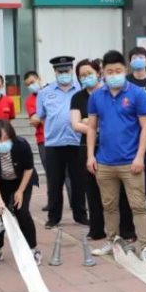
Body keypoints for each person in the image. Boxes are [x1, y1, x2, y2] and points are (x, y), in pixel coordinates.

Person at [87, 50, 146, 266]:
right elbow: (91, 127)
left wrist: (140, 157)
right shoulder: (97, 96)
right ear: (103, 73)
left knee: (138, 206)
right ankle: (112, 240)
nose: (114, 74)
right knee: (109, 206)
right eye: (109, 71)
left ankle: (145, 247)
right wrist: (90, 155)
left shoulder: (137, 94)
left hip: (131, 162)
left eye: (118, 70)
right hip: (105, 162)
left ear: (125, 70)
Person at [71, 59, 136, 247]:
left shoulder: (108, 93)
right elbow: (75, 124)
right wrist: (95, 127)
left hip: (113, 147)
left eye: (89, 73)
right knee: (92, 189)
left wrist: (91, 124)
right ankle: (97, 228)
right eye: (82, 75)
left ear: (99, 73)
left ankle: (127, 229)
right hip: (88, 148)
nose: (86, 78)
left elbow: (114, 120)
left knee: (121, 190)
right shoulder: (78, 97)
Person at [36, 55, 87, 228]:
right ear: (55, 72)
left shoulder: (82, 90)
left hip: (77, 142)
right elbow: (41, 117)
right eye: (60, 71)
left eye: (66, 70)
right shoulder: (45, 92)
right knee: (54, 182)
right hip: (54, 144)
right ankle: (54, 216)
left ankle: (80, 214)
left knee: (78, 181)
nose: (64, 74)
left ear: (72, 70)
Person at [0, 120, 41, 267]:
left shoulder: (21, 145)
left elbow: (29, 168)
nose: (3, 142)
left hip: (21, 181)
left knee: (22, 211)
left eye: (6, 139)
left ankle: (33, 249)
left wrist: (20, 191)